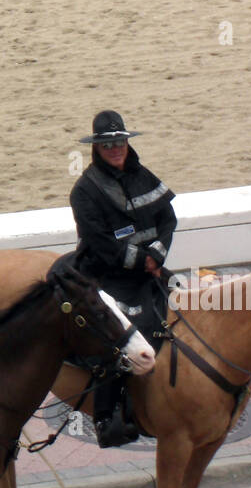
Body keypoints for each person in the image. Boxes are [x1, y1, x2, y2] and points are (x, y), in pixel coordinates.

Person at [69, 109, 177, 447]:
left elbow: (168, 219)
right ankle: (107, 418)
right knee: (117, 338)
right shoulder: (85, 190)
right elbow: (100, 244)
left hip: (149, 270)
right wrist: (142, 261)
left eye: (120, 142)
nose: (116, 149)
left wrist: (157, 256)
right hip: (106, 277)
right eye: (108, 145)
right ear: (97, 149)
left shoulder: (143, 175)